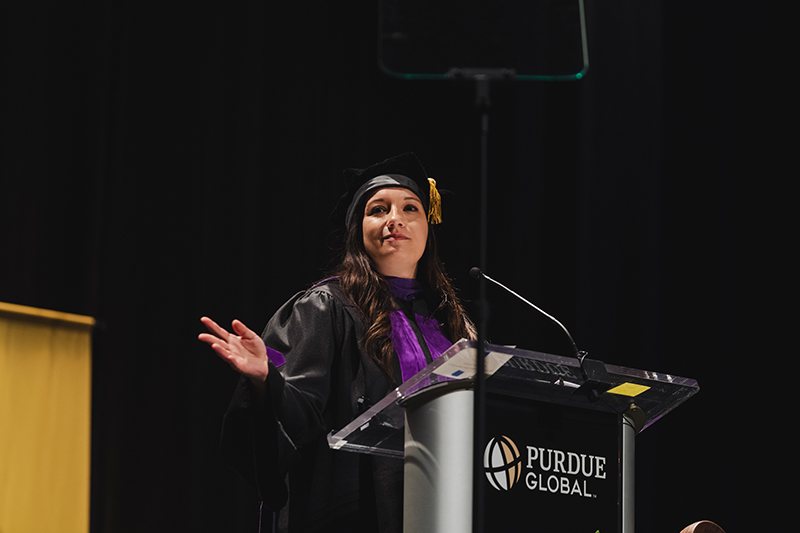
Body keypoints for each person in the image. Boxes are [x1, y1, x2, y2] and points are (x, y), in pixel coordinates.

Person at [199, 152, 475, 533]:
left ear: (428, 226)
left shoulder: (452, 326)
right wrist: (268, 381)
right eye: (378, 209)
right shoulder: (326, 308)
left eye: (410, 208)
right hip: (359, 515)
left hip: (447, 509)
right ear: (358, 231)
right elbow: (301, 417)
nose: (395, 219)